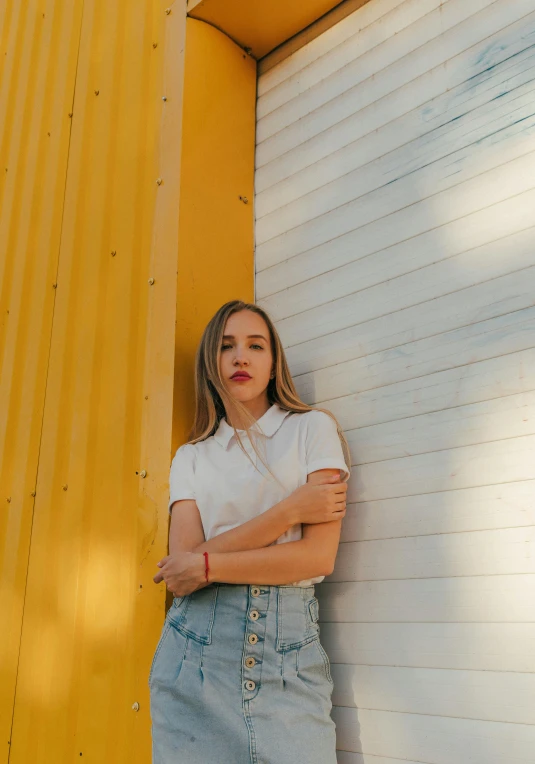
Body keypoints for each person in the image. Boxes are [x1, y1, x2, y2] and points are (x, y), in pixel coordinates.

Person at [148, 299, 351, 763]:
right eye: (227, 346)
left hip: (288, 657)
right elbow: (181, 576)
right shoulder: (192, 457)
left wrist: (205, 563)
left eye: (255, 345)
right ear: (211, 364)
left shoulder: (312, 430)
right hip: (195, 656)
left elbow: (317, 558)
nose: (241, 357)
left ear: (273, 361)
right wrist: (288, 512)